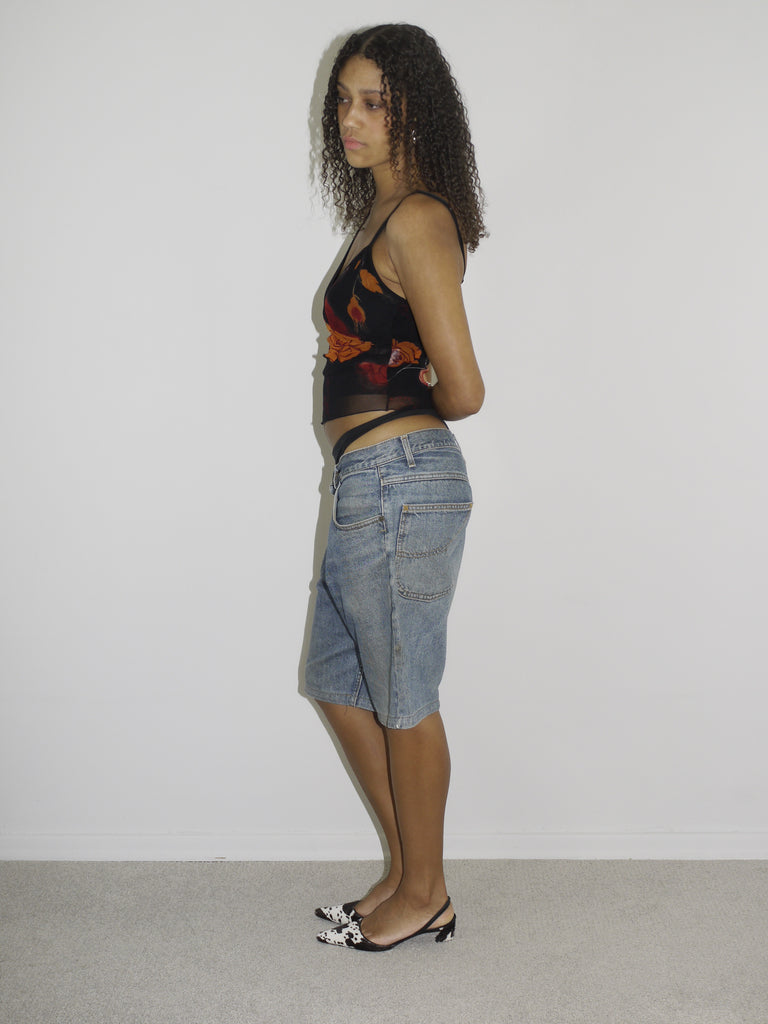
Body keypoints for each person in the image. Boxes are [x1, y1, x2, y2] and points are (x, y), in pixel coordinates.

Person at [305, 23, 486, 952]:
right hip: (370, 480)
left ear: (415, 109)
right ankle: (410, 874)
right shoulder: (378, 215)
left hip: (402, 481)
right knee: (338, 681)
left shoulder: (417, 219)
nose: (351, 118)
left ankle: (426, 894)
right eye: (344, 99)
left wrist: (393, 400)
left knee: (405, 695)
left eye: (373, 101)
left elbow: (466, 389)